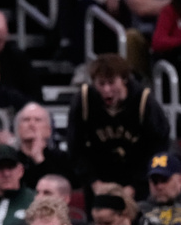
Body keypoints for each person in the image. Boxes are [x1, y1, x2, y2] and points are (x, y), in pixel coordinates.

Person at [66, 53, 170, 200]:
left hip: (136, 176)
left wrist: (135, 185)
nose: (107, 90)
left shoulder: (144, 101)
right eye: (101, 84)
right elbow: (75, 147)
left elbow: (158, 146)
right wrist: (93, 182)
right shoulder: (83, 101)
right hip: (98, 178)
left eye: (111, 83)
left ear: (124, 80)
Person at [13, 103, 74, 189]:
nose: (31, 124)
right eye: (26, 120)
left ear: (49, 130)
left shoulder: (62, 159)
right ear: (18, 129)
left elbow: (64, 189)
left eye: (37, 120)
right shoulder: (11, 160)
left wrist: (40, 160)